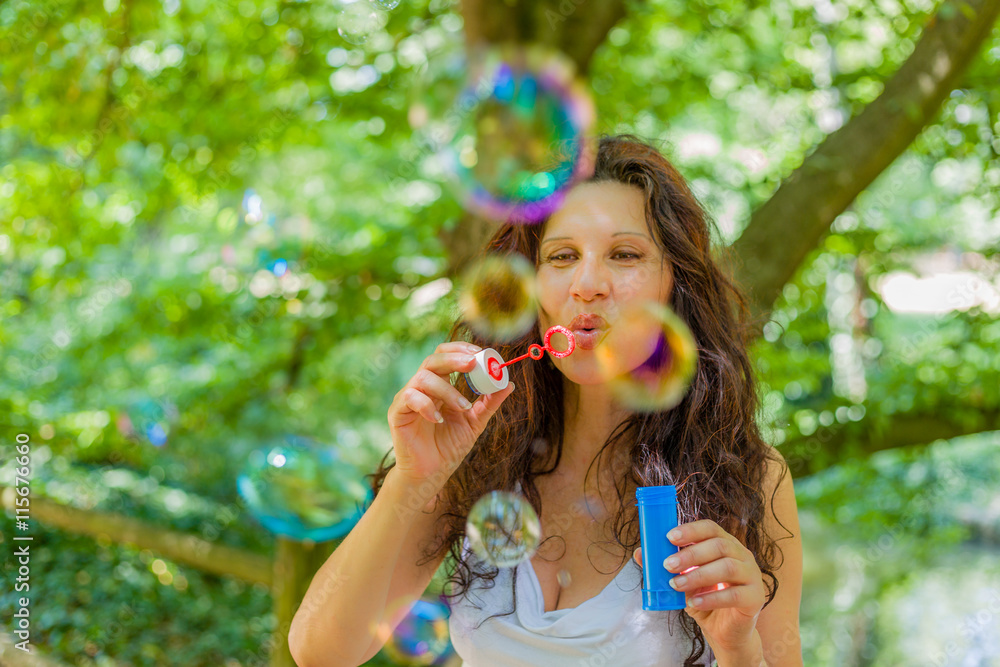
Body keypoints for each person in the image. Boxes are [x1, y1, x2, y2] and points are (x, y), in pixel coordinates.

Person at [288, 134, 803, 667]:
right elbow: (320, 651)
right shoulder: (475, 453)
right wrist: (413, 479)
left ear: (676, 285)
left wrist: (740, 650)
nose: (587, 284)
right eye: (561, 256)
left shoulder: (747, 477)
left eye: (624, 255)